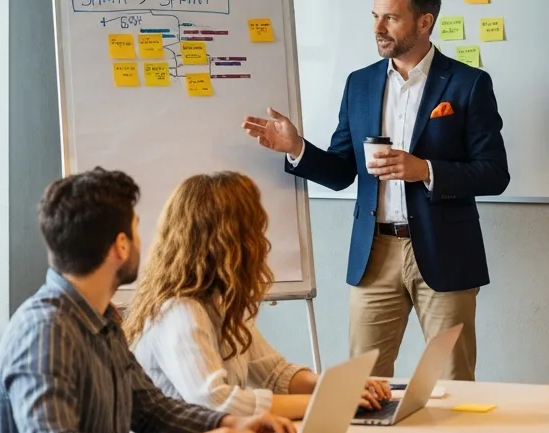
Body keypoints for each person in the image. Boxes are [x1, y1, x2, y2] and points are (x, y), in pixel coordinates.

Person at [242, 0, 509, 381]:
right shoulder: (360, 84)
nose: (378, 29)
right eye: (374, 16)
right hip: (375, 253)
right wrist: (297, 148)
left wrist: (425, 170)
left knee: (454, 380)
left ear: (424, 22)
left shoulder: (468, 84)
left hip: (446, 251)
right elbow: (340, 171)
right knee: (361, 383)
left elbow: (494, 174)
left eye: (391, 18)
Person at [0, 168, 296, 433]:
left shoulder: (100, 318)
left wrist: (225, 423)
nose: (144, 242)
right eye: (136, 230)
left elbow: (150, 409)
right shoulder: (45, 329)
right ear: (121, 245)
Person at [126, 171, 391, 419]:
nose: (262, 240)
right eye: (253, 228)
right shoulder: (180, 310)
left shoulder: (220, 300)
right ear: (229, 240)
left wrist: (338, 386)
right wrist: (329, 402)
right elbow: (216, 403)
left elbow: (275, 374)